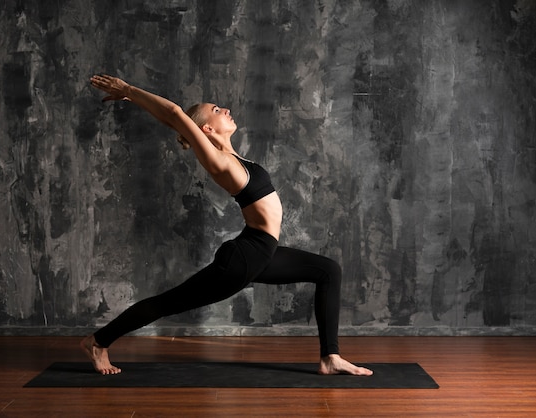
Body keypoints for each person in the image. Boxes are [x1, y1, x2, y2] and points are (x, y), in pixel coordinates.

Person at [81, 74, 373, 377]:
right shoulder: (219, 160)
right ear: (207, 128)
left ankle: (330, 357)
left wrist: (140, 100)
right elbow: (175, 115)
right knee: (169, 303)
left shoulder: (234, 156)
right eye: (216, 109)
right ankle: (97, 342)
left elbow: (176, 122)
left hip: (260, 249)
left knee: (328, 270)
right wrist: (129, 89)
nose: (225, 109)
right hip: (246, 257)